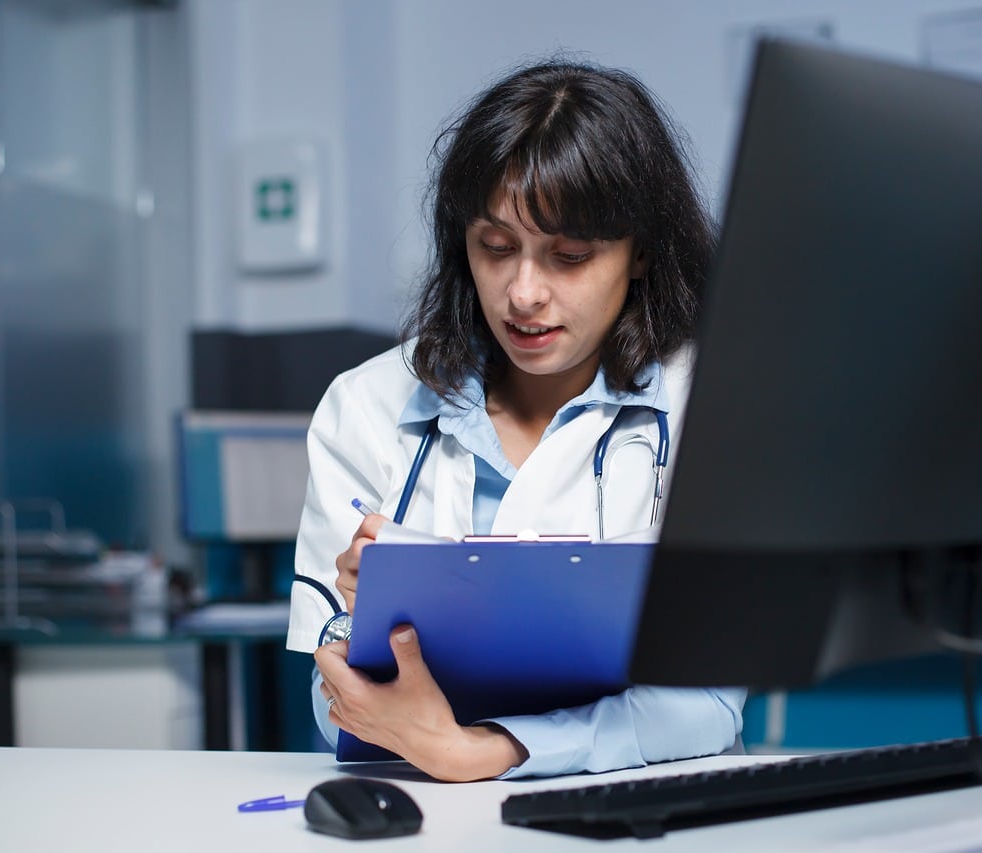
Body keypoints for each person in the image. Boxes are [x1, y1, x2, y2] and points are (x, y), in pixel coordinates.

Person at [286, 59, 746, 782]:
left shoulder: (710, 404)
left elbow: (709, 699)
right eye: (495, 247)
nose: (522, 293)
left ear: (642, 255)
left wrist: (485, 750)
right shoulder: (367, 406)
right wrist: (356, 621)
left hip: (639, 812)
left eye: (569, 255)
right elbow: (329, 695)